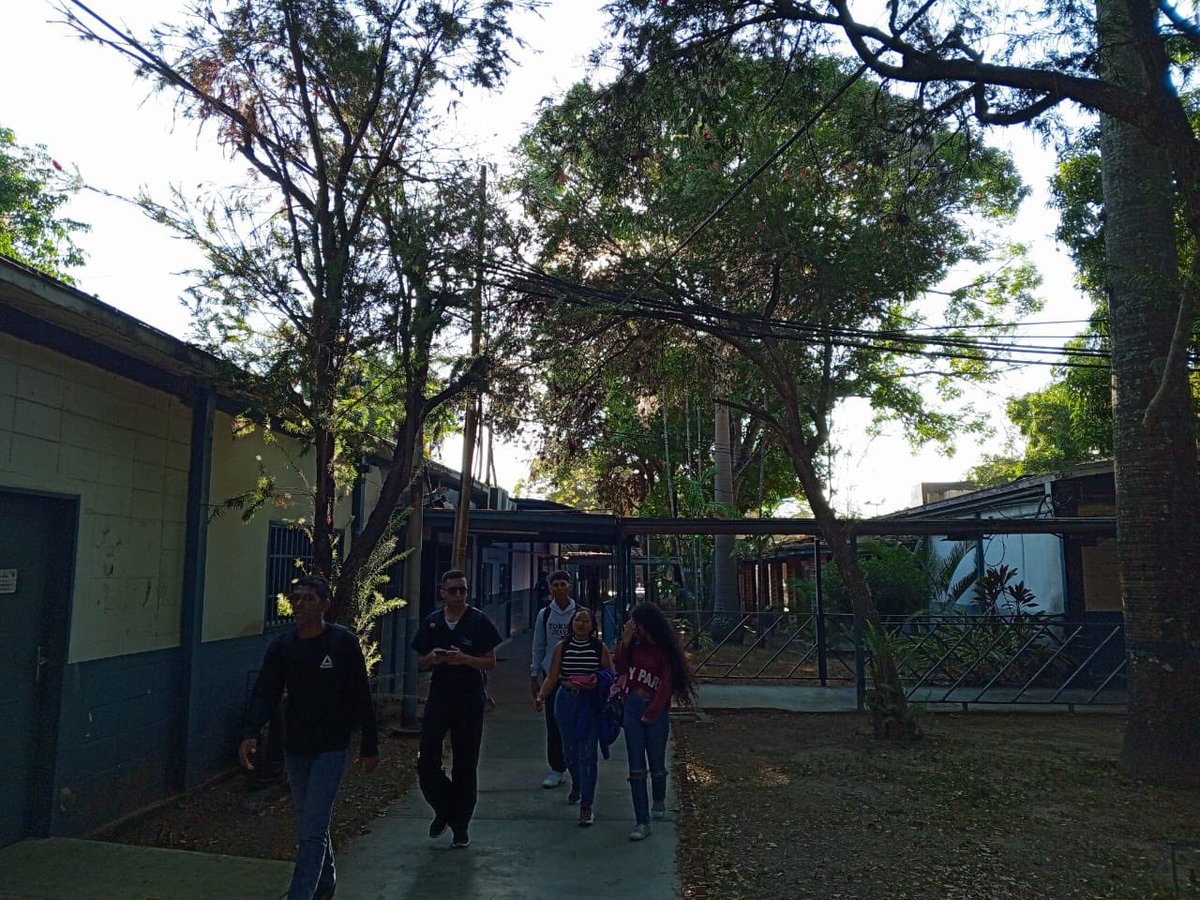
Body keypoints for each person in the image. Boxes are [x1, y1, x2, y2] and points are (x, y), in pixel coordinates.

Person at [240, 574, 378, 900]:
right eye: (296, 598)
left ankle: (300, 894)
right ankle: (326, 879)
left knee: (311, 829)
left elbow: (361, 695)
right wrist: (250, 732)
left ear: (325, 605)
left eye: (308, 599)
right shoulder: (283, 647)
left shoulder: (341, 643)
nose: (300, 604)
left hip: (331, 748)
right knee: (310, 821)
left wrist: (369, 744)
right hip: (295, 747)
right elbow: (265, 692)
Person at [412, 569, 503, 849]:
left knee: (465, 764)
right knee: (427, 760)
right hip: (439, 698)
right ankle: (445, 807)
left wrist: (464, 659)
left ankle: (460, 825)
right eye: (453, 590)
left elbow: (490, 662)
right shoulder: (432, 623)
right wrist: (435, 658)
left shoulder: (478, 621)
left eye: (463, 590)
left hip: (469, 699)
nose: (459, 595)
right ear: (443, 592)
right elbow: (419, 663)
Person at [615, 601, 696, 842]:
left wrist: (652, 711)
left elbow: (667, 685)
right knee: (636, 767)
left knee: (657, 764)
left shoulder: (664, 651)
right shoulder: (634, 647)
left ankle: (658, 798)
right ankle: (642, 821)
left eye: (636, 623)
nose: (633, 627)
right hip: (632, 705)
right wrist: (625, 642)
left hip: (655, 709)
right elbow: (621, 667)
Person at [534, 607, 614, 826]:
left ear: (592, 626)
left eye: (585, 621)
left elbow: (610, 674)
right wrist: (541, 696)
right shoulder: (563, 646)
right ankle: (578, 784)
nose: (581, 624)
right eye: (577, 620)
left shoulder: (599, 647)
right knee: (569, 751)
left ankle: (586, 805)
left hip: (589, 703)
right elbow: (552, 676)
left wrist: (598, 680)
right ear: (572, 624)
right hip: (566, 700)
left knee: (588, 754)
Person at [529, 569, 577, 792]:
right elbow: (538, 645)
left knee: (577, 724)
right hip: (552, 677)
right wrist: (534, 674)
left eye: (563, 584)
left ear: (570, 586)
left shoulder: (580, 613)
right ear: (550, 589)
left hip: (577, 676)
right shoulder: (544, 615)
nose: (559, 588)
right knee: (553, 723)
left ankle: (576, 765)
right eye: (555, 584)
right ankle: (557, 768)